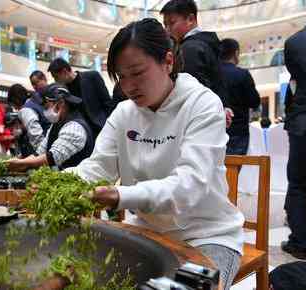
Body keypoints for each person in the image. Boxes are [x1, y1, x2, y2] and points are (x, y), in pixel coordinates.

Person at [66, 19, 244, 290]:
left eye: (137, 73)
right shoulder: (124, 113)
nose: (129, 86)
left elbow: (189, 186)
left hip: (206, 235)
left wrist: (120, 196)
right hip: (146, 231)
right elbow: (96, 169)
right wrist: (53, 182)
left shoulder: (203, 105)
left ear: (168, 61)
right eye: (121, 77)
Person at [160, 0, 233, 128]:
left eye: (171, 23)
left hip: (198, 120)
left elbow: (192, 89)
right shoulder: (206, 43)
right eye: (165, 25)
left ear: (190, 19)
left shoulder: (190, 49)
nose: (167, 30)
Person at [281, 0, 306, 261]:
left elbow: (295, 81)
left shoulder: (295, 43)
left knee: (299, 185)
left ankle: (298, 244)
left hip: (305, 121)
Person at [7, 83, 94, 171]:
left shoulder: (75, 127)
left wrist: (23, 163)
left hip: (78, 179)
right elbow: (40, 152)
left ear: (60, 103)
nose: (45, 111)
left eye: (46, 107)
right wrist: (22, 161)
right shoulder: (56, 124)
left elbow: (52, 158)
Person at [47, 58, 115, 137]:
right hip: (81, 132)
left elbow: (107, 102)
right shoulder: (63, 90)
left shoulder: (92, 76)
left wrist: (108, 125)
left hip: (101, 127)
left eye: (56, 77)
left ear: (64, 72)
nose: (55, 81)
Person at [219, 38, 261, 155]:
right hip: (238, 132)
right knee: (235, 168)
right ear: (236, 53)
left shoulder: (212, 74)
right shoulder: (242, 74)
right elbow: (254, 102)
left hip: (216, 129)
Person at [7, 83, 50, 157]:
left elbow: (36, 136)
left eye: (13, 105)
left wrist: (41, 157)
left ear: (15, 100)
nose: (15, 108)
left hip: (44, 152)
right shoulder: (34, 102)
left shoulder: (25, 110)